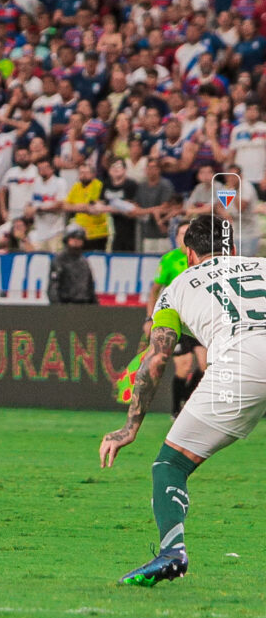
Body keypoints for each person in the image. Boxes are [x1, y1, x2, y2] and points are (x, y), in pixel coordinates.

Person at [101, 215, 266, 586]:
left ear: (188, 253)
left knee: (170, 464)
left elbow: (158, 358)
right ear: (233, 249)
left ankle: (172, 553)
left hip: (243, 367)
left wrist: (130, 427)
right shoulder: (262, 265)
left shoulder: (175, 288)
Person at [142, 222, 205, 419]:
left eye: (187, 233)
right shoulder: (169, 260)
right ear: (176, 237)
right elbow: (155, 291)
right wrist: (150, 318)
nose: (183, 237)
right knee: (184, 366)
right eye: (181, 233)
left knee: (205, 365)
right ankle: (176, 410)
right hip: (176, 319)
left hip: (197, 319)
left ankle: (187, 398)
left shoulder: (201, 258)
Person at [47, 224, 97, 304]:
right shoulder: (60, 259)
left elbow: (90, 286)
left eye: (80, 238)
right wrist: (57, 307)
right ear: (67, 239)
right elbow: (53, 286)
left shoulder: (84, 261)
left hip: (84, 305)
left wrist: (95, 306)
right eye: (73, 238)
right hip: (66, 303)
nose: (76, 241)